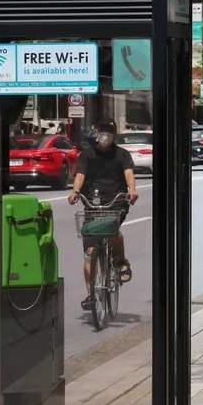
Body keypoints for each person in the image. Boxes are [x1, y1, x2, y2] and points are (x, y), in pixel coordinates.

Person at [68, 118, 139, 308]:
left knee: (111, 229)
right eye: (102, 130)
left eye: (109, 131)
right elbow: (80, 175)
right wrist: (75, 192)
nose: (105, 135)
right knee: (90, 252)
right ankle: (91, 295)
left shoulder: (122, 155)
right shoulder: (86, 155)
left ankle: (121, 261)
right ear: (97, 133)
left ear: (114, 134)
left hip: (117, 200)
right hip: (92, 202)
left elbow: (129, 174)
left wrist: (132, 190)